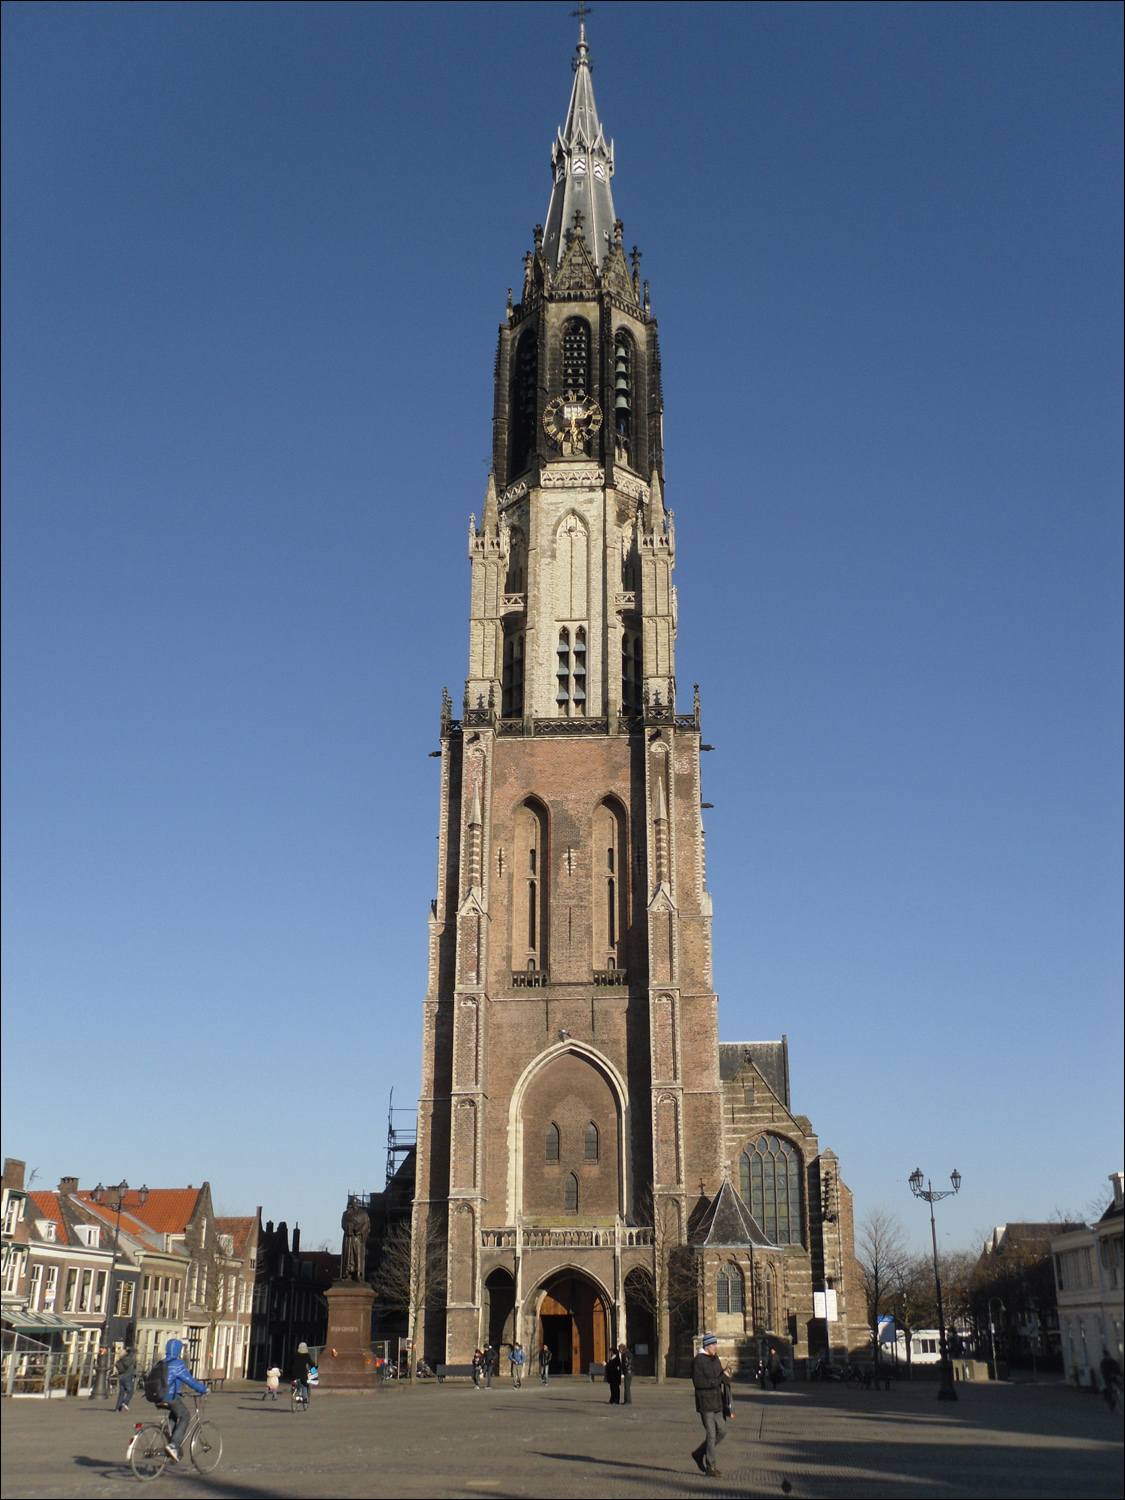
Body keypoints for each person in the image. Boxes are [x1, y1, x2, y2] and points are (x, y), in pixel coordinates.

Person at [159, 1338, 208, 1462]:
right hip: (169, 1396)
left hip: (157, 1396)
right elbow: (189, 1380)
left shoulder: (161, 1362)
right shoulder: (178, 1364)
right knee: (185, 1415)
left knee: (175, 1414)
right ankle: (174, 1445)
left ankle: (168, 1435)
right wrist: (203, 1389)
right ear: (178, 1351)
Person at [690, 1335, 732, 1478]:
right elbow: (699, 1383)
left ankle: (699, 1453)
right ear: (707, 1346)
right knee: (711, 1434)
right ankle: (711, 1467)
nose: (716, 1347)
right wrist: (719, 1379)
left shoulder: (715, 1359)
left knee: (722, 1430)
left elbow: (720, 1376)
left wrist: (726, 1375)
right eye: (713, 1345)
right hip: (705, 1403)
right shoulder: (698, 1361)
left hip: (717, 1401)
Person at [114, 1346, 137, 1411]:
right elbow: (135, 1351)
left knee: (121, 1393)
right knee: (130, 1392)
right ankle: (125, 1403)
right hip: (128, 1376)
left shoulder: (120, 1361)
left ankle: (117, 1408)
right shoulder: (129, 1358)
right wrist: (129, 1348)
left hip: (121, 1377)